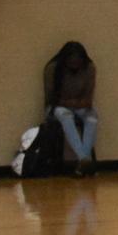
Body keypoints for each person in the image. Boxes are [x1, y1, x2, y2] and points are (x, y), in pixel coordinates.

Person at [45, 41, 98, 175]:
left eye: (78, 62)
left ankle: (83, 162)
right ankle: (84, 158)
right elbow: (54, 99)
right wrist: (74, 102)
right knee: (65, 116)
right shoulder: (53, 68)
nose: (75, 65)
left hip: (78, 105)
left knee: (92, 116)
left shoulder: (90, 68)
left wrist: (73, 102)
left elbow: (88, 100)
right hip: (57, 107)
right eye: (71, 62)